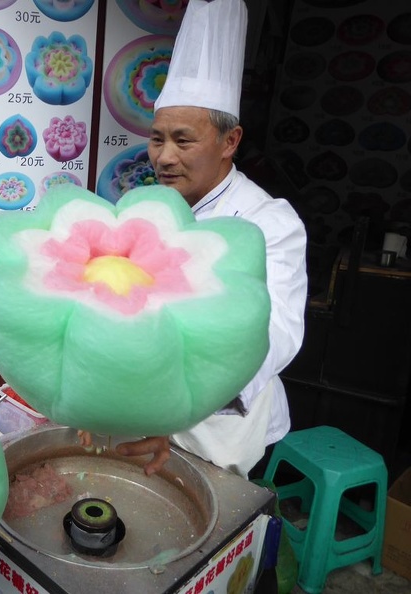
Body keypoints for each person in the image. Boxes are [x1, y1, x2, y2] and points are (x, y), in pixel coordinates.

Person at [84, 0, 307, 479]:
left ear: (230, 142)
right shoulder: (146, 209)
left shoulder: (268, 222)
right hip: (140, 413)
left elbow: (274, 337)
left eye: (183, 141)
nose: (163, 157)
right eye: (156, 138)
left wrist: (174, 409)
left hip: (219, 429)